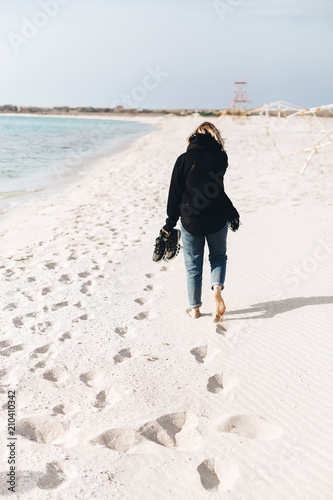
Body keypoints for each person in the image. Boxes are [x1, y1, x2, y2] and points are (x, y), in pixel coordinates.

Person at [154, 121, 240, 322]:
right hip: (218, 216)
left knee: (193, 264)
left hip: (191, 219)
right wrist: (232, 212)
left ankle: (194, 308)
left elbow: (174, 193)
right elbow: (217, 188)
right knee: (218, 256)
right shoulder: (221, 158)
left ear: (193, 137)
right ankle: (217, 288)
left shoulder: (183, 159)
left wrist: (170, 223)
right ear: (214, 137)